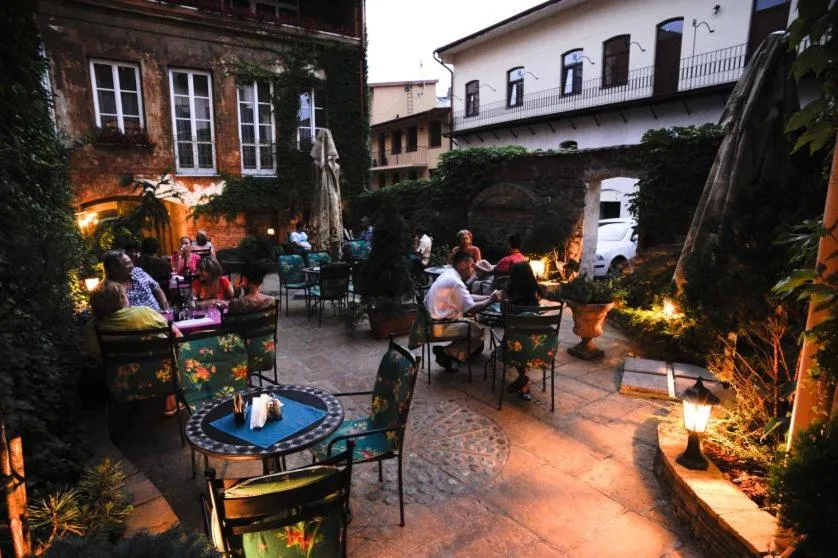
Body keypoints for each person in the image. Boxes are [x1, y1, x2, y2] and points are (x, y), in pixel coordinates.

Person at [84, 281, 183, 416]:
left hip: (120, 385)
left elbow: (99, 358)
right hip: (162, 380)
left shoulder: (92, 328)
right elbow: (178, 337)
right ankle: (171, 399)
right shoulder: (143, 314)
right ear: (121, 298)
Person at [424, 250, 503, 372]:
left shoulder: (450, 274)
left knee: (473, 328)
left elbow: (467, 296)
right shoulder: (455, 282)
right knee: (479, 333)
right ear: (462, 265)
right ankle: (446, 353)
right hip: (437, 327)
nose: (473, 270)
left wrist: (488, 297)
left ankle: (454, 353)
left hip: (431, 322)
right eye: (472, 266)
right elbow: (471, 308)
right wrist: (491, 301)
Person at [504, 262, 546, 401]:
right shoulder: (538, 299)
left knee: (516, 341)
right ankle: (524, 384)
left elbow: (504, 322)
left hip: (514, 349)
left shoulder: (509, 302)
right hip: (539, 348)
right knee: (525, 340)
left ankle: (523, 378)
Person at [103, 249, 168, 312]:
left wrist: (165, 310)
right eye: (126, 264)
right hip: (135, 322)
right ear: (113, 268)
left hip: (158, 315)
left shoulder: (137, 271)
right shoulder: (109, 288)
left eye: (131, 262)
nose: (132, 266)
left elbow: (156, 288)